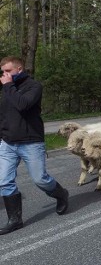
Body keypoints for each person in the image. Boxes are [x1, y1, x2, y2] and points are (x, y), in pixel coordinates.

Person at [0, 56, 69, 235]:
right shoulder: (6, 89)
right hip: (8, 143)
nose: (4, 75)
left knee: (40, 179)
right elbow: (5, 114)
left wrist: (8, 86)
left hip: (31, 142)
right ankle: (15, 219)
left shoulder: (34, 86)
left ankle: (61, 194)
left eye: (8, 71)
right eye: (3, 72)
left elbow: (22, 105)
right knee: (4, 181)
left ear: (19, 69)